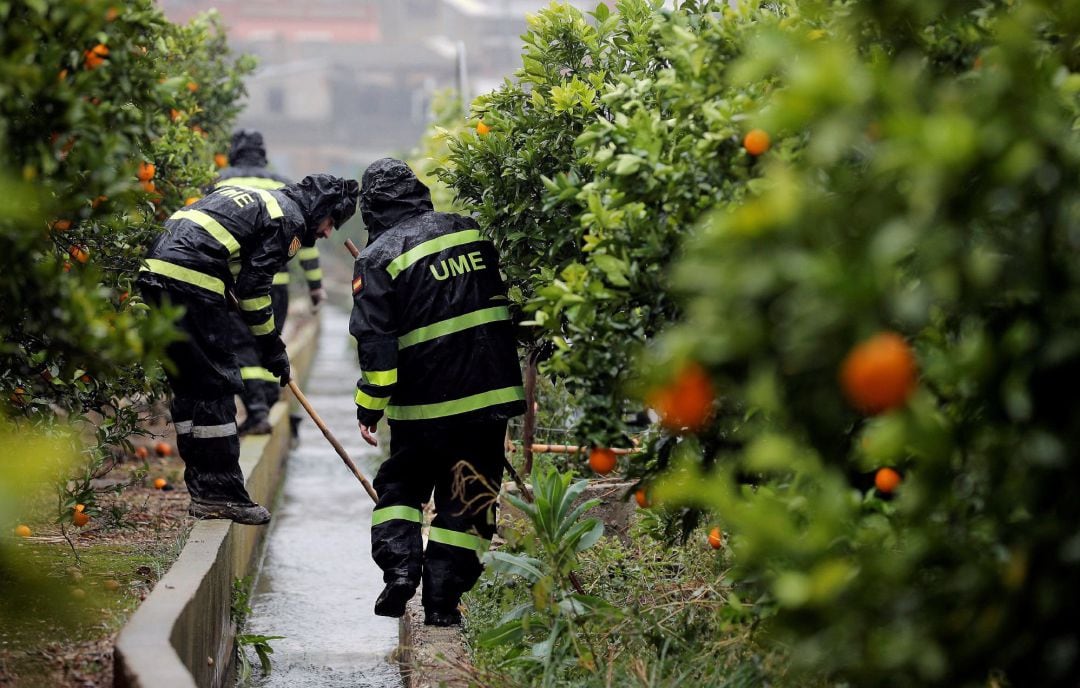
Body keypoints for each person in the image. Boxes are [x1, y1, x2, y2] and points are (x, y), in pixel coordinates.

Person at [350, 158, 525, 626]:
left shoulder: (376, 259)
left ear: (372, 209)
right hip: (487, 401)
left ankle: (401, 570)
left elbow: (377, 348)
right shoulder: (469, 231)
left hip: (423, 410)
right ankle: (443, 607)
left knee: (402, 488)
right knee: (467, 501)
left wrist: (369, 408)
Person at [137, 174, 359, 524]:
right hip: (192, 280)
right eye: (333, 222)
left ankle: (203, 489)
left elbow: (233, 265)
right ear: (321, 210)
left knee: (190, 386)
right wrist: (272, 347)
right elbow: (256, 290)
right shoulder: (288, 220)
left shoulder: (261, 200)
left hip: (155, 273)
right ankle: (221, 495)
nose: (329, 232)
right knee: (216, 384)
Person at [214, 129, 327, 435]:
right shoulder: (283, 184)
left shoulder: (221, 181)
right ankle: (268, 398)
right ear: (263, 153)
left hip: (237, 283)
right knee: (269, 339)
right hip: (277, 286)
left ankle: (258, 409)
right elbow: (306, 242)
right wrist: (315, 286)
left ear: (234, 151)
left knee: (241, 346)